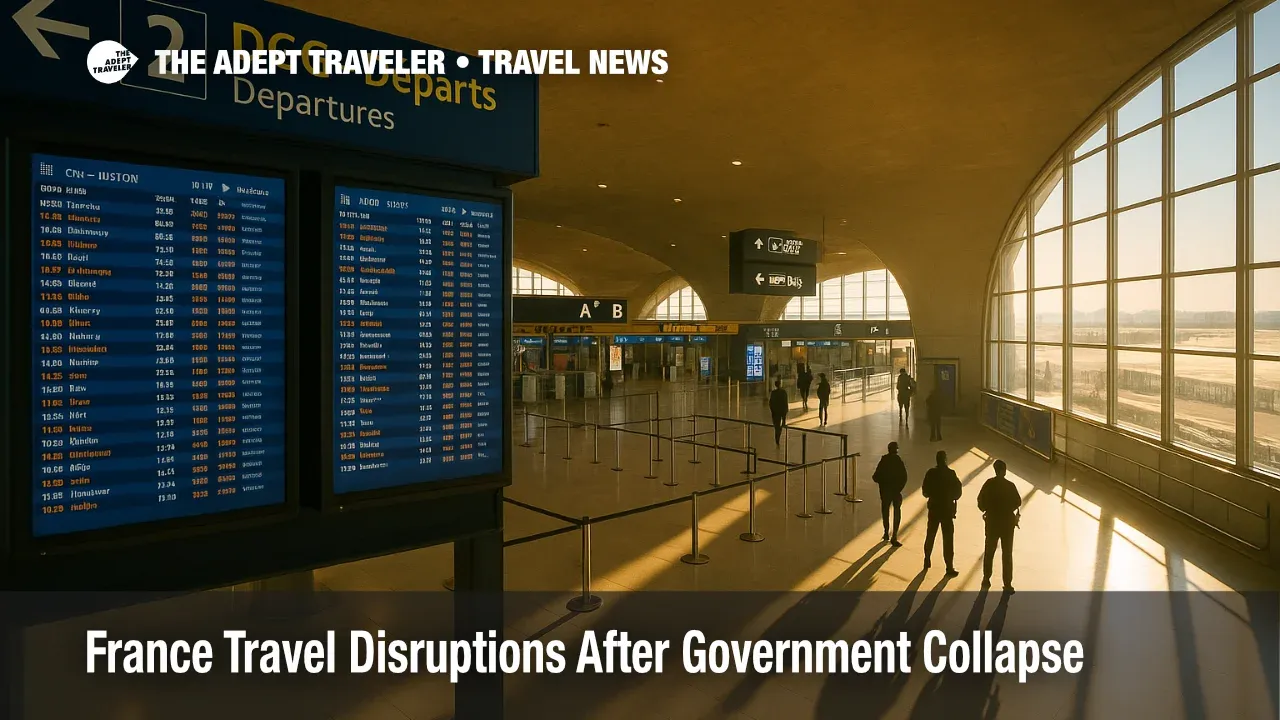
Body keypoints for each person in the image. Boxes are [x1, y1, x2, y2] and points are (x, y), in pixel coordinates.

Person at [977, 459, 1022, 593]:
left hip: (992, 522)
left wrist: (986, 509)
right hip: (1007, 523)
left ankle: (986, 578)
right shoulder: (1010, 485)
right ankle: (1007, 583)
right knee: (1007, 554)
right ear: (1005, 470)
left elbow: (980, 501)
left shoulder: (989, 484)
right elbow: (1017, 502)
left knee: (989, 551)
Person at [921, 450, 962, 576]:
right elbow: (958, 492)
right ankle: (949, 566)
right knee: (948, 539)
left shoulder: (931, 473)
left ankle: (927, 558)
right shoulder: (951, 474)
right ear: (945, 459)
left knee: (931, 534)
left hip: (934, 509)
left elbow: (925, 491)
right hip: (947, 510)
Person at [872, 442, 907, 546]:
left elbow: (875, 476)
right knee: (897, 511)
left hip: (885, 491)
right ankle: (894, 535)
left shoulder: (884, 460)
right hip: (896, 492)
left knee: (885, 511)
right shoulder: (898, 461)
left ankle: (886, 532)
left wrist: (883, 483)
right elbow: (904, 477)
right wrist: (898, 488)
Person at [769, 378, 789, 447]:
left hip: (775, 412)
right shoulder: (783, 392)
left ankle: (777, 439)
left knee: (776, 426)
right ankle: (778, 437)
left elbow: (771, 403)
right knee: (780, 425)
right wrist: (786, 411)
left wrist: (772, 410)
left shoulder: (773, 393)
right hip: (781, 411)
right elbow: (785, 402)